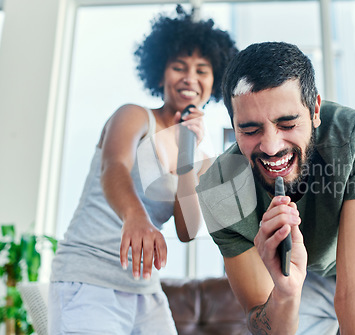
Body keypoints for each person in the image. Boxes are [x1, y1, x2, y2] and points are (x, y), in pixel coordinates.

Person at [196, 41, 355, 335]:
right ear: (234, 125)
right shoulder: (219, 191)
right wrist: (285, 292)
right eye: (250, 130)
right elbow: (262, 322)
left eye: (288, 124)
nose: (271, 146)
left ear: (314, 110)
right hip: (308, 275)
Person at [49, 6, 237, 334]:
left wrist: (187, 153)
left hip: (144, 289)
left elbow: (187, 230)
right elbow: (114, 166)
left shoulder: (199, 154)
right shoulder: (134, 116)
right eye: (179, 67)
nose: (190, 77)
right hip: (88, 277)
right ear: (160, 74)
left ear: (214, 80)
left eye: (202, 70)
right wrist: (135, 216)